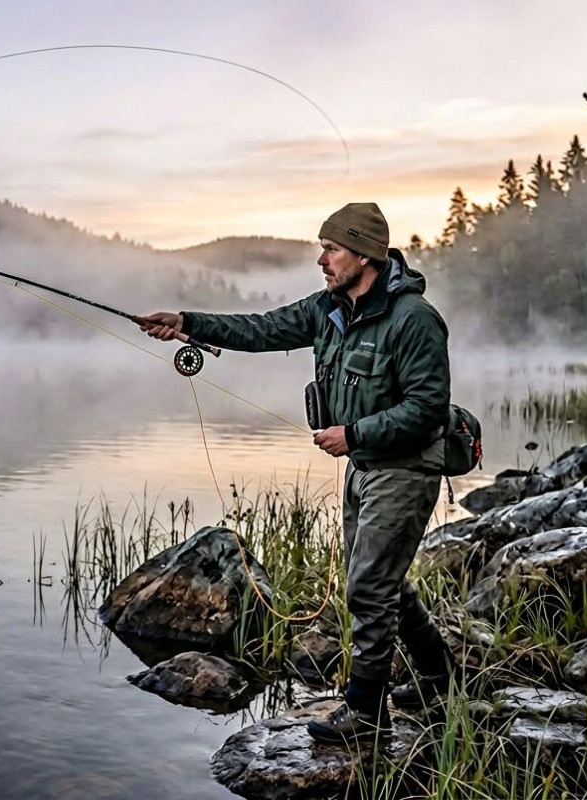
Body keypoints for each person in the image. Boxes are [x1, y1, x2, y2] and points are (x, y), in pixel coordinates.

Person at [139, 202, 457, 744]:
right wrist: (187, 322)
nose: (322, 259)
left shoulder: (414, 319)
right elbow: (263, 328)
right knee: (385, 584)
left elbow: (427, 407)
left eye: (331, 249)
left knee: (368, 587)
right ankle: (439, 678)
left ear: (364, 254)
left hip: (406, 467)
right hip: (366, 468)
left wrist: (352, 434)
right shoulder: (329, 309)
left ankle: (365, 713)